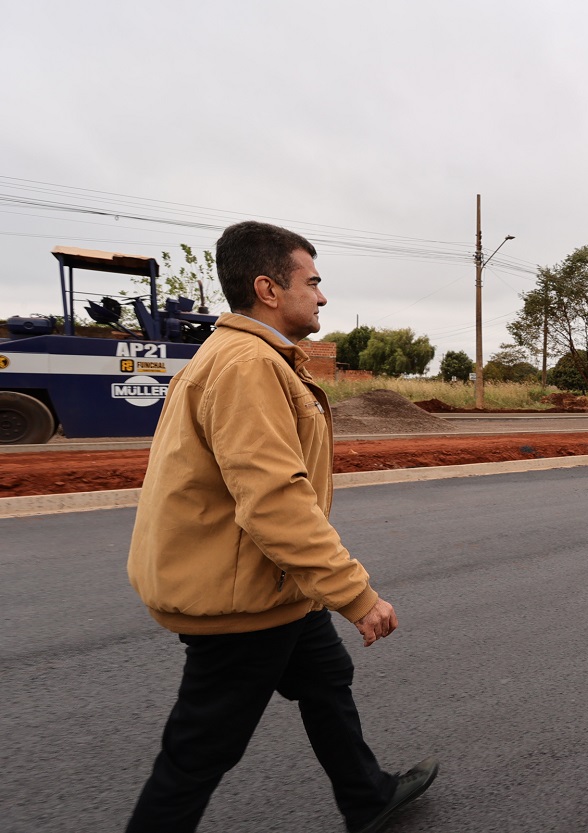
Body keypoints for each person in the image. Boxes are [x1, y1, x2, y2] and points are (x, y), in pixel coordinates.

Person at [126, 221, 437, 833]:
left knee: (326, 680)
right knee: (200, 749)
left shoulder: (248, 356)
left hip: (274, 584)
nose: (322, 296)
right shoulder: (248, 366)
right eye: (311, 282)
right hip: (240, 594)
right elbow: (274, 501)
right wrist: (355, 594)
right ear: (268, 289)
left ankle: (367, 796)